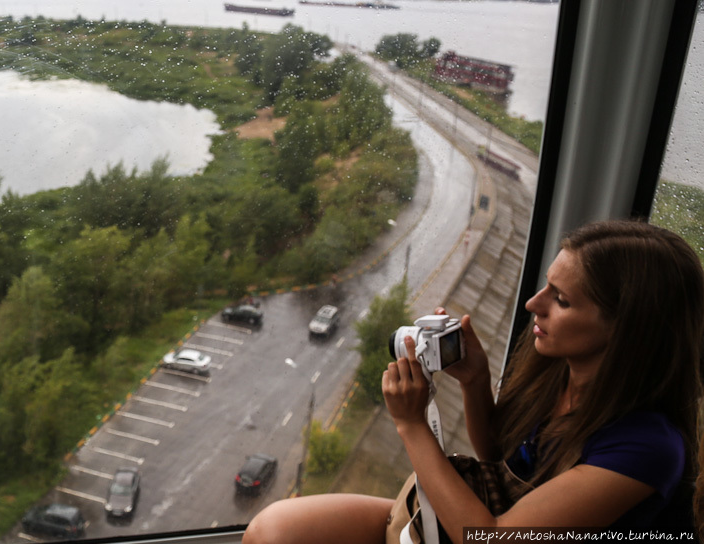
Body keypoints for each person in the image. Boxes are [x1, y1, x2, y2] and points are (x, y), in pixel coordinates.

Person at [243, 219, 703, 544]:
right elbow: (499, 461)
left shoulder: (647, 447)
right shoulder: (564, 374)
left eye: (560, 300)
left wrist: (411, 425)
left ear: (627, 329)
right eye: (545, 286)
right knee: (272, 531)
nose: (533, 304)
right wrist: (475, 379)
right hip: (451, 520)